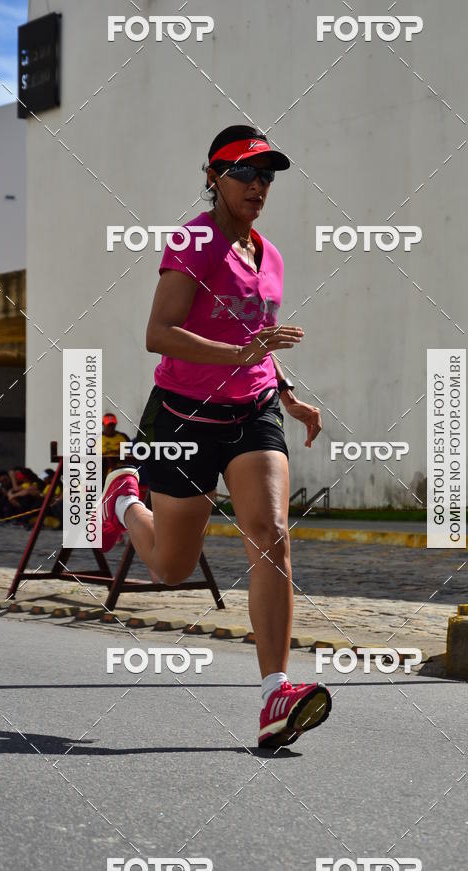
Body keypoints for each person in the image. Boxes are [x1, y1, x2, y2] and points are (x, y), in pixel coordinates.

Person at [98, 125, 331, 749]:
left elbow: (261, 336)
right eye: (246, 174)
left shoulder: (270, 254)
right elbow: (159, 332)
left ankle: (274, 694)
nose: (259, 186)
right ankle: (124, 499)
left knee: (271, 533)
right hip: (184, 416)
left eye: (268, 176)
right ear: (213, 177)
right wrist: (239, 350)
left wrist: (286, 394)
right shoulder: (192, 242)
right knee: (171, 569)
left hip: (253, 412)